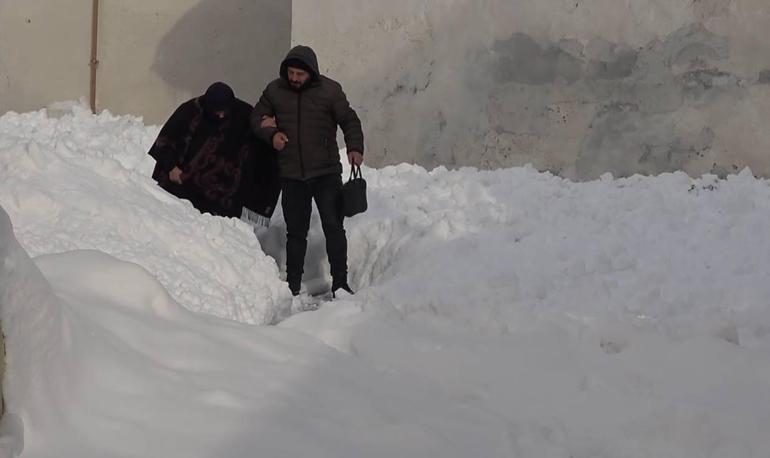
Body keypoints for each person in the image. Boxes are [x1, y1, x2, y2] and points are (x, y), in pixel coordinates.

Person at [251, 45, 364, 297]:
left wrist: (355, 147)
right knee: (296, 233)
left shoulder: (330, 90)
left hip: (326, 173)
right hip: (292, 174)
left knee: (333, 226)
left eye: (299, 74)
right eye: (290, 73)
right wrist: (272, 135)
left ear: (311, 72)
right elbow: (256, 117)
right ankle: (293, 284)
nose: (294, 78)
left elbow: (349, 119)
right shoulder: (275, 90)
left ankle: (340, 283)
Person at [149, 82, 280, 222]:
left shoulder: (242, 112)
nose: (222, 115)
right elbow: (166, 141)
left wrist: (268, 126)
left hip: (222, 192)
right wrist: (171, 166)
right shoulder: (190, 111)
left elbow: (259, 128)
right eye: (217, 111)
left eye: (225, 111)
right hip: (182, 181)